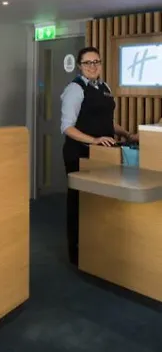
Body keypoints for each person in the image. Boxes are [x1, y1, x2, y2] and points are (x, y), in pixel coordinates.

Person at [60, 46, 138, 266]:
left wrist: (126, 134)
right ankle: (76, 250)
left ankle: (96, 249)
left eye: (96, 62)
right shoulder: (75, 89)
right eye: (88, 63)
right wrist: (94, 140)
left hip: (102, 154)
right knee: (79, 201)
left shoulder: (104, 87)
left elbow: (106, 121)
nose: (93, 66)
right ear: (80, 66)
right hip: (79, 153)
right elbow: (67, 127)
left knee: (98, 202)